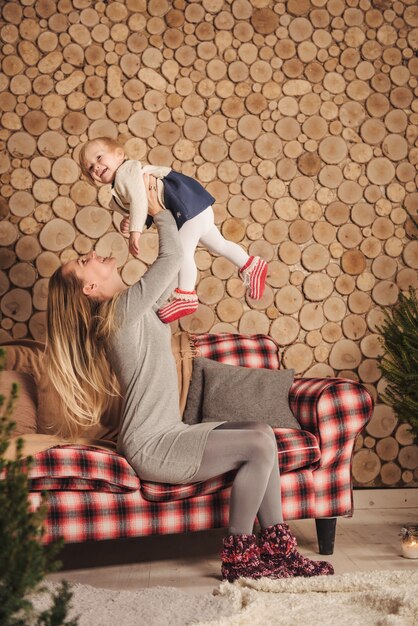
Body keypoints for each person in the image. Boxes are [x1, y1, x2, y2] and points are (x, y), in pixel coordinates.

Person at [46, 175, 333, 582]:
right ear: (90, 287)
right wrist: (158, 208)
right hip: (152, 444)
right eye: (82, 260)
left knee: (262, 433)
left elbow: (175, 273)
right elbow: (168, 261)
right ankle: (239, 556)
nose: (92, 254)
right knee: (256, 443)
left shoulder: (136, 306)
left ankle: (278, 552)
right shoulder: (118, 315)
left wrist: (153, 215)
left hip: (169, 432)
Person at [78, 137, 268, 323]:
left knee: (181, 253)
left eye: (99, 157)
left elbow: (139, 200)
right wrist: (134, 222)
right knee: (219, 245)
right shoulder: (118, 188)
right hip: (192, 205)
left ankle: (185, 296)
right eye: (90, 168)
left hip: (184, 206)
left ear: (119, 154)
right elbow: (145, 206)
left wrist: (136, 231)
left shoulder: (125, 172)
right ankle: (250, 264)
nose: (95, 166)